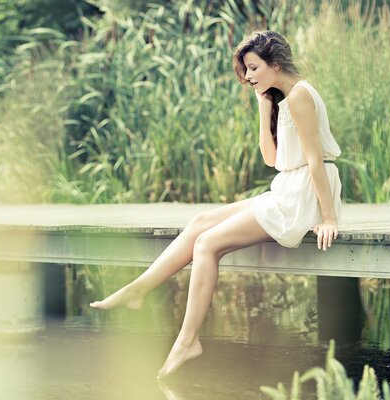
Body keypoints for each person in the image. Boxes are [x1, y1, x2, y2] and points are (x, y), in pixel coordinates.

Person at [89, 30, 343, 379]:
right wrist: (263, 104)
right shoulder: (283, 98)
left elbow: (315, 161)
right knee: (200, 222)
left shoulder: (300, 96)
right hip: (288, 186)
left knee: (207, 244)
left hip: (303, 196)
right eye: (246, 70)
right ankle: (139, 289)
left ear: (276, 64)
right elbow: (272, 159)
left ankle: (187, 341)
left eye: (253, 68)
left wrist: (328, 218)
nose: (248, 76)